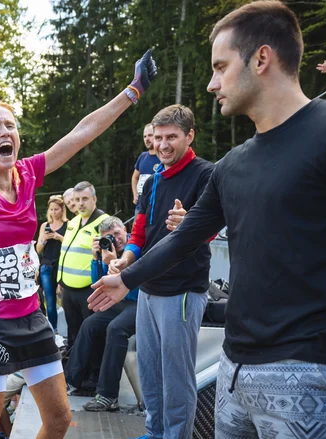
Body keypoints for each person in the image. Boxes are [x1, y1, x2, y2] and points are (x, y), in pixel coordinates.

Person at [89, 2, 326, 438]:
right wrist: (128, 278)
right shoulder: (232, 165)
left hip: (312, 377)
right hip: (235, 373)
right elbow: (186, 237)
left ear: (261, 58)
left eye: (220, 67)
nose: (212, 84)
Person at [0, 49, 157, 439]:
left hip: (34, 318)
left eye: (9, 125)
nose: (4, 132)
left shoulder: (28, 174)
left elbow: (81, 133)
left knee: (59, 419)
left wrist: (133, 90)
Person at [103, 104, 214, 438]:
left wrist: (191, 222)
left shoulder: (206, 174)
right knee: (150, 372)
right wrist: (126, 260)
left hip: (182, 290)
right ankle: (155, 432)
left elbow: (212, 226)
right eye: (158, 138)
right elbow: (139, 233)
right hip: (147, 290)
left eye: (172, 137)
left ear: (189, 135)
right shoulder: (151, 183)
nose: (163, 145)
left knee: (176, 376)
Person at [65, 216, 138, 412]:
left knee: (116, 328)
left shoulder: (136, 248)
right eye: (109, 237)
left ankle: (107, 395)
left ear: (125, 229)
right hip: (117, 303)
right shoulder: (106, 251)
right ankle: (70, 381)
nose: (115, 239)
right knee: (89, 324)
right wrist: (97, 259)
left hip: (139, 301)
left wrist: (115, 261)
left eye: (117, 234)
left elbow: (134, 281)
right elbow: (98, 283)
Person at [57, 181, 109, 347]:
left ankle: (93, 371)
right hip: (67, 289)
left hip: (89, 290)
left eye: (84, 199)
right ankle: (76, 369)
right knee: (73, 333)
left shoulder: (104, 222)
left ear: (94, 199)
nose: (80, 203)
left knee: (91, 335)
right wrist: (60, 280)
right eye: (77, 199)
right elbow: (64, 251)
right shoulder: (73, 222)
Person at [35, 195, 68, 330]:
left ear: (62, 209)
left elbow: (70, 244)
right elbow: (38, 249)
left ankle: (69, 329)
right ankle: (53, 331)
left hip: (62, 266)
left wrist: (58, 236)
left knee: (66, 300)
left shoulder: (69, 225)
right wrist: (44, 239)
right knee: (50, 301)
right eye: (51, 210)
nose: (53, 212)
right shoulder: (45, 225)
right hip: (47, 266)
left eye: (56, 209)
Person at [131, 124, 160, 210]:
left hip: (157, 207)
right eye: (145, 136)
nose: (147, 139)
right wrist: (135, 194)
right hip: (140, 207)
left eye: (150, 135)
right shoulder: (142, 156)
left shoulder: (163, 157)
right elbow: (135, 177)